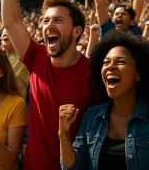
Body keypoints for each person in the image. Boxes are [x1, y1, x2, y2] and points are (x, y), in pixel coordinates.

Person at [1, 0, 98, 170]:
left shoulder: (92, 74)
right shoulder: (37, 56)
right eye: (45, 21)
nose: (48, 25)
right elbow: (11, 21)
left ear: (76, 32)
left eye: (58, 20)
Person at [59, 29, 149, 170]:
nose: (111, 67)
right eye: (106, 62)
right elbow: (74, 167)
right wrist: (63, 134)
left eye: (121, 61)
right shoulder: (91, 116)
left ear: (138, 73)